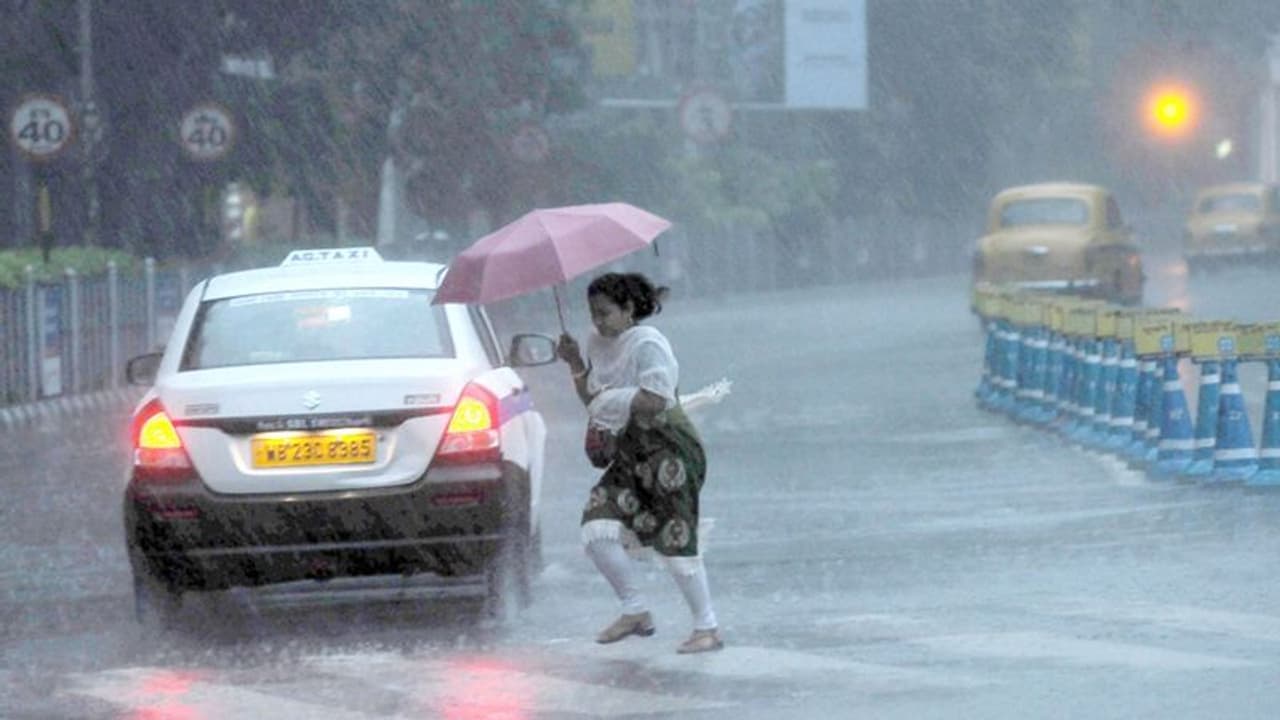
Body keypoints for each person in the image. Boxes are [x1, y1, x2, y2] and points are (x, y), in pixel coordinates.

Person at [556, 272, 723, 654]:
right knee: (597, 523)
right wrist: (573, 364)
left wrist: (610, 401)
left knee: (675, 535)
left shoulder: (649, 344)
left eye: (605, 313)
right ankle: (635, 610)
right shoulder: (596, 343)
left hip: (669, 449)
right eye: (593, 314)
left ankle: (707, 626)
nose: (598, 322)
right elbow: (593, 398)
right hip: (630, 450)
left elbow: (656, 400)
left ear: (629, 309)